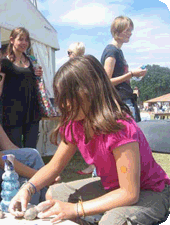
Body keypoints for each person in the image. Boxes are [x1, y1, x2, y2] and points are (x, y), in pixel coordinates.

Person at [9, 55, 170, 225]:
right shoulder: (76, 123)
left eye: (66, 97)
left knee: (113, 222)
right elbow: (54, 166)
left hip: (151, 192)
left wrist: (76, 209)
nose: (62, 105)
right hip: (112, 188)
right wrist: (27, 189)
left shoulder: (120, 128)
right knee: (54, 195)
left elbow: (129, 193)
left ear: (89, 91)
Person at [0, 51, 59, 204]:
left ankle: (42, 206)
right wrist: (41, 177)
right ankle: (46, 204)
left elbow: (7, 145)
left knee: (31, 157)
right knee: (30, 173)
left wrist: (37, 174)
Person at [0, 27, 43, 148]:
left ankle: (32, 168)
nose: (24, 43)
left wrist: (38, 75)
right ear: (12, 40)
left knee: (31, 148)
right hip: (12, 114)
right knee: (15, 150)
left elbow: (32, 82)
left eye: (26, 40)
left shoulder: (31, 61)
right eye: (21, 39)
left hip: (32, 113)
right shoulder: (4, 62)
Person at [101, 16, 147, 122]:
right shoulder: (112, 52)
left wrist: (136, 74)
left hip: (124, 100)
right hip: (121, 102)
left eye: (131, 30)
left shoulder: (117, 51)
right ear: (117, 31)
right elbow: (106, 82)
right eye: (127, 30)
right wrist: (131, 74)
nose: (130, 33)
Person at [67, 41, 95, 176]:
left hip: (84, 110)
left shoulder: (78, 68)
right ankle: (92, 164)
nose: (67, 56)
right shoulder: (87, 66)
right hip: (85, 109)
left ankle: (93, 165)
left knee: (88, 136)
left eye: (69, 53)